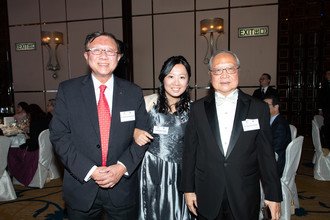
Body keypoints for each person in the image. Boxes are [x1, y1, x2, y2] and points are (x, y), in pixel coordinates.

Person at [49, 31, 149, 219]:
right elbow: (59, 136)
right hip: (81, 185)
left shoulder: (133, 92)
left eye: (110, 51)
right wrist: (91, 171)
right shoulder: (68, 91)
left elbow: (144, 136)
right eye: (96, 50)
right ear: (86, 55)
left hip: (122, 188)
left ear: (118, 57)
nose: (103, 56)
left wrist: (121, 167)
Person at [181, 50, 282, 220]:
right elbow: (190, 151)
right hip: (207, 193)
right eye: (218, 70)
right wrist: (188, 189)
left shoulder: (258, 108)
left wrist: (273, 194)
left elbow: (266, 155)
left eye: (230, 69)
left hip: (245, 194)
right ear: (210, 75)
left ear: (238, 71)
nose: (224, 75)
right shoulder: (197, 109)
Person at [133, 56, 193, 220]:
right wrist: (134, 132)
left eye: (182, 77)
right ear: (163, 78)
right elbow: (121, 129)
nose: (176, 82)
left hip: (181, 172)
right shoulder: (146, 103)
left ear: (188, 82)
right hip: (151, 171)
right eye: (171, 76)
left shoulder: (194, 110)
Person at [7, 103, 49, 186]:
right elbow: (37, 136)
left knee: (11, 152)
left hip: (34, 151)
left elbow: (33, 142)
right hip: (43, 149)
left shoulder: (34, 123)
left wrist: (23, 144)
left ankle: (14, 176)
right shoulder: (45, 119)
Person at [264, 95, 291, 177]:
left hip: (276, 163)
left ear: (276, 107)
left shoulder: (280, 125)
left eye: (266, 105)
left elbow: (276, 149)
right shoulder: (270, 120)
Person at [318, 70, 330, 149]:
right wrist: (320, 109)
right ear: (326, 76)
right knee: (327, 126)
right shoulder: (323, 85)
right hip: (327, 109)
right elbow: (320, 98)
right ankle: (327, 145)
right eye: (328, 74)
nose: (329, 75)